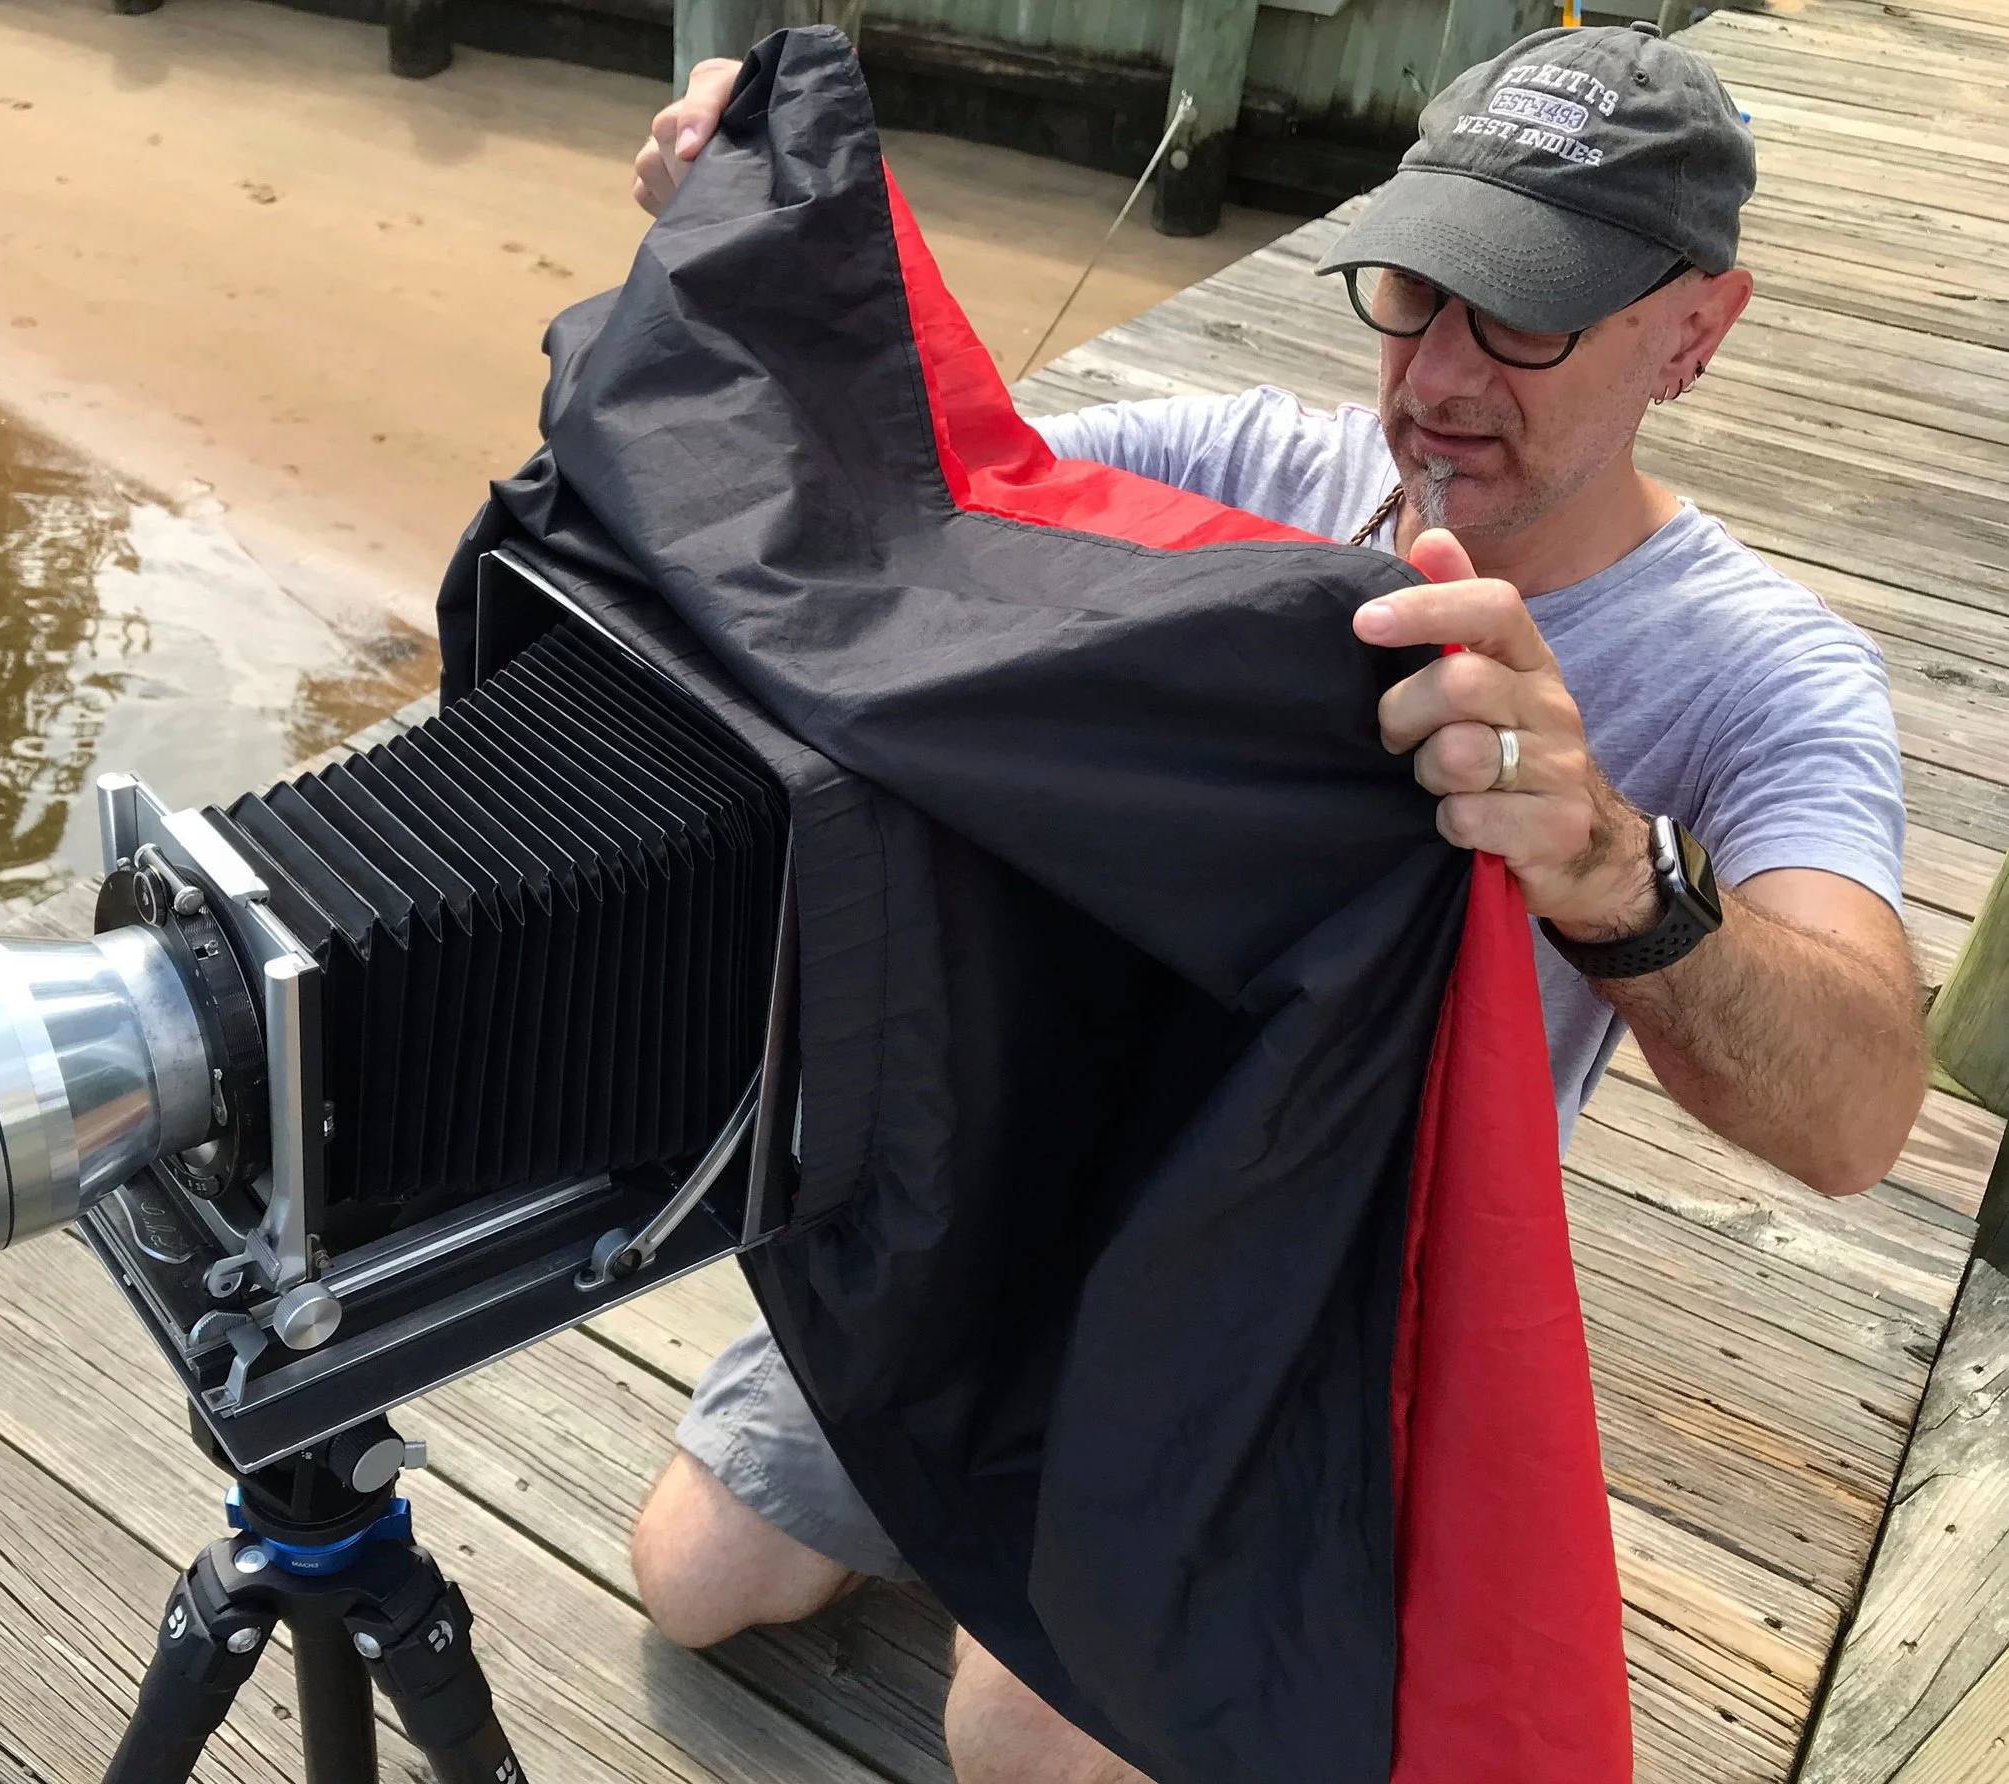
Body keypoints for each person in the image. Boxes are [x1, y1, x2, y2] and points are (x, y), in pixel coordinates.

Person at [627, 24, 1925, 1782]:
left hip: (1301, 1281)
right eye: (1415, 289)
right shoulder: (1238, 464)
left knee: (1022, 1745)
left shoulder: (1768, 680)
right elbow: (916, 500)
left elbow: (1857, 1116)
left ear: (1697, 327)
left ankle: (1143, 1522)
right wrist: (768, 253)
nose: (1445, 375)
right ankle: (1014, 1470)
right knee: (695, 1581)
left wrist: (1608, 859)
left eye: (1524, 317)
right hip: (1024, 1175)